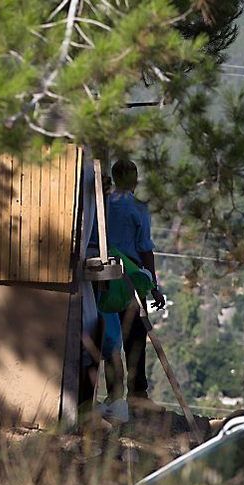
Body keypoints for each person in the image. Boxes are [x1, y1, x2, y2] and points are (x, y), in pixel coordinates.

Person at [91, 160, 166, 420]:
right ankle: (136, 396)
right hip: (130, 279)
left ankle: (114, 395)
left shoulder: (100, 202)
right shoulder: (136, 208)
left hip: (102, 277)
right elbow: (145, 248)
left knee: (109, 337)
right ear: (133, 180)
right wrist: (154, 286)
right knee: (134, 339)